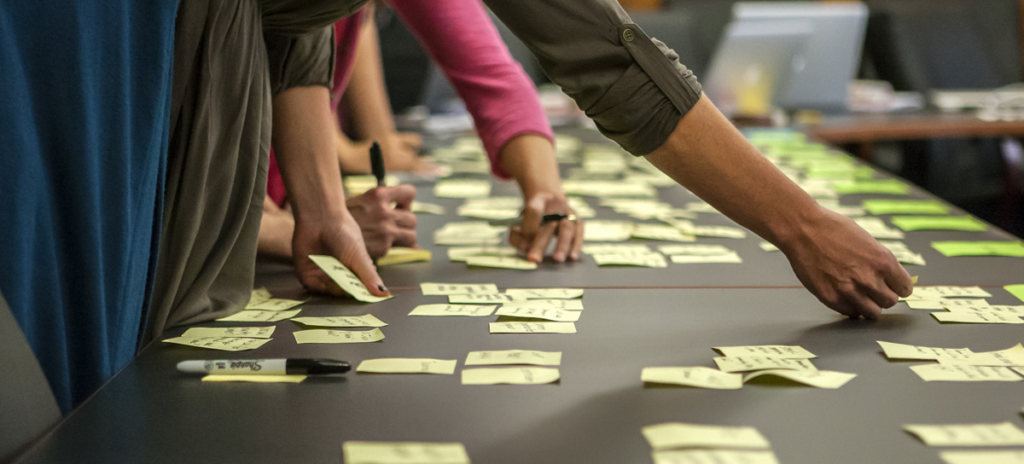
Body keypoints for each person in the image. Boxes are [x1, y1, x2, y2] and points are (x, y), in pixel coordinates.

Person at [259, 1, 583, 269]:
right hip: (228, 232)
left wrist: (545, 191)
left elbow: (491, 74)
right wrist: (316, 222)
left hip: (282, 213)